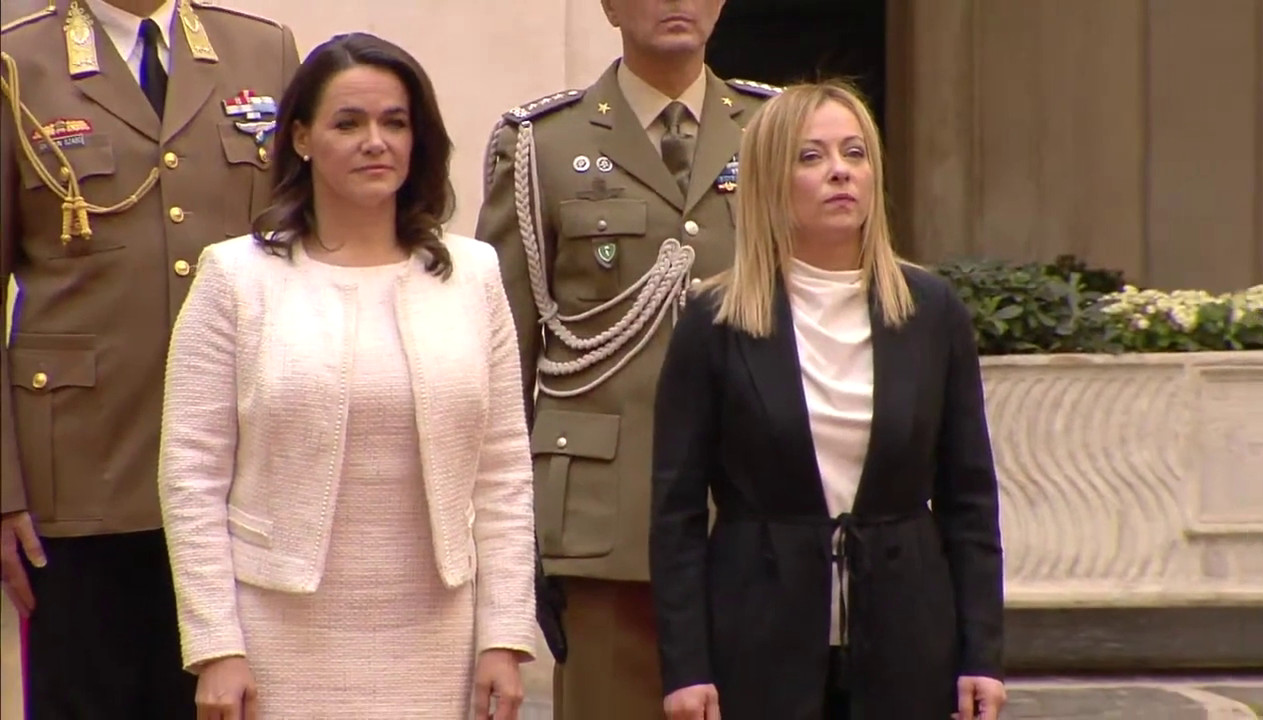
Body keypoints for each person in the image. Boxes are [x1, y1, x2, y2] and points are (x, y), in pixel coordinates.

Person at [156, 32, 539, 719]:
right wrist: (215, 646)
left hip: (440, 636)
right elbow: (192, 477)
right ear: (301, 137)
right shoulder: (235, 277)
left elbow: (504, 471)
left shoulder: (473, 274)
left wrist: (504, 636)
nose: (376, 142)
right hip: (278, 636)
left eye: (395, 123)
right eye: (348, 123)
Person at [649, 81, 1008, 720]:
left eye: (854, 153)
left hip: (907, 637)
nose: (840, 171)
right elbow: (676, 514)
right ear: (769, 181)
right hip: (758, 637)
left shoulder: (932, 312)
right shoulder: (715, 320)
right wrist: (686, 667)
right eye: (811, 156)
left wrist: (982, 653)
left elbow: (970, 501)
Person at [474, 1, 780, 716]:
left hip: (757, 510)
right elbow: (501, 358)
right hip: (607, 517)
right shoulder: (542, 144)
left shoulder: (777, 131)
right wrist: (504, 547)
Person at [0, 0, 298, 716]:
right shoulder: (16, 65)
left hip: (247, 470)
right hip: (82, 476)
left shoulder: (263, 52)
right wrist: (2, 489)